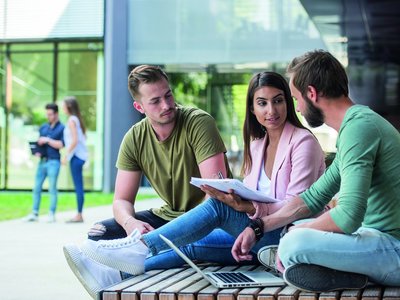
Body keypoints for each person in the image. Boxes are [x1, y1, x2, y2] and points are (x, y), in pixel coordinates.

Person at [64, 70, 326, 299]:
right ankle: (115, 272)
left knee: (216, 206)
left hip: (287, 236)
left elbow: (298, 206)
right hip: (255, 235)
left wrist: (245, 207)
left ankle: (137, 248)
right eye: (262, 103)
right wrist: (243, 204)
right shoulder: (258, 145)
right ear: (252, 109)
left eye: (278, 101)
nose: (271, 110)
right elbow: (255, 198)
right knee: (187, 244)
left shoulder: (302, 142)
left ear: (288, 103)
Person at [231, 50, 400, 292]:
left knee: (293, 243)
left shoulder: (359, 129)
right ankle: (346, 273)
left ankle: (338, 269)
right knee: (300, 230)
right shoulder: (355, 126)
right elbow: (312, 198)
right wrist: (258, 226)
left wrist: (295, 232)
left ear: (311, 93)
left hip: (393, 248)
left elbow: (349, 216)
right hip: (378, 242)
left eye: (296, 98)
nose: (297, 108)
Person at [63, 65, 232, 298]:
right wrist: (130, 223)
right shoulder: (134, 137)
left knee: (123, 249)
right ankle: (134, 257)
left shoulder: (198, 123)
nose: (166, 105)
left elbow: (214, 193)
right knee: (100, 232)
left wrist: (179, 229)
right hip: (169, 215)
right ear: (139, 107)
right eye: (155, 101)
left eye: (168, 95)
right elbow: (121, 200)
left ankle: (123, 267)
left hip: (209, 218)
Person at [25, 103, 64, 223]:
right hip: (42, 161)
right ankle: (34, 213)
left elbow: (61, 144)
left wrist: (47, 140)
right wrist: (37, 151)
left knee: (52, 188)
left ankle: (51, 214)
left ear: (56, 114)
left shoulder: (62, 128)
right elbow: (39, 143)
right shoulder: (43, 127)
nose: (49, 116)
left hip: (54, 162)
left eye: (50, 114)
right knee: (36, 188)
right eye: (47, 114)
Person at [62, 96, 89, 223]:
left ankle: (79, 215)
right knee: (79, 186)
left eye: (64, 105)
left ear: (69, 107)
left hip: (76, 157)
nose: (62, 108)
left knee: (78, 186)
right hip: (79, 156)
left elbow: (74, 140)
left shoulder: (72, 120)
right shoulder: (76, 119)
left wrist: (66, 156)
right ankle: (79, 213)